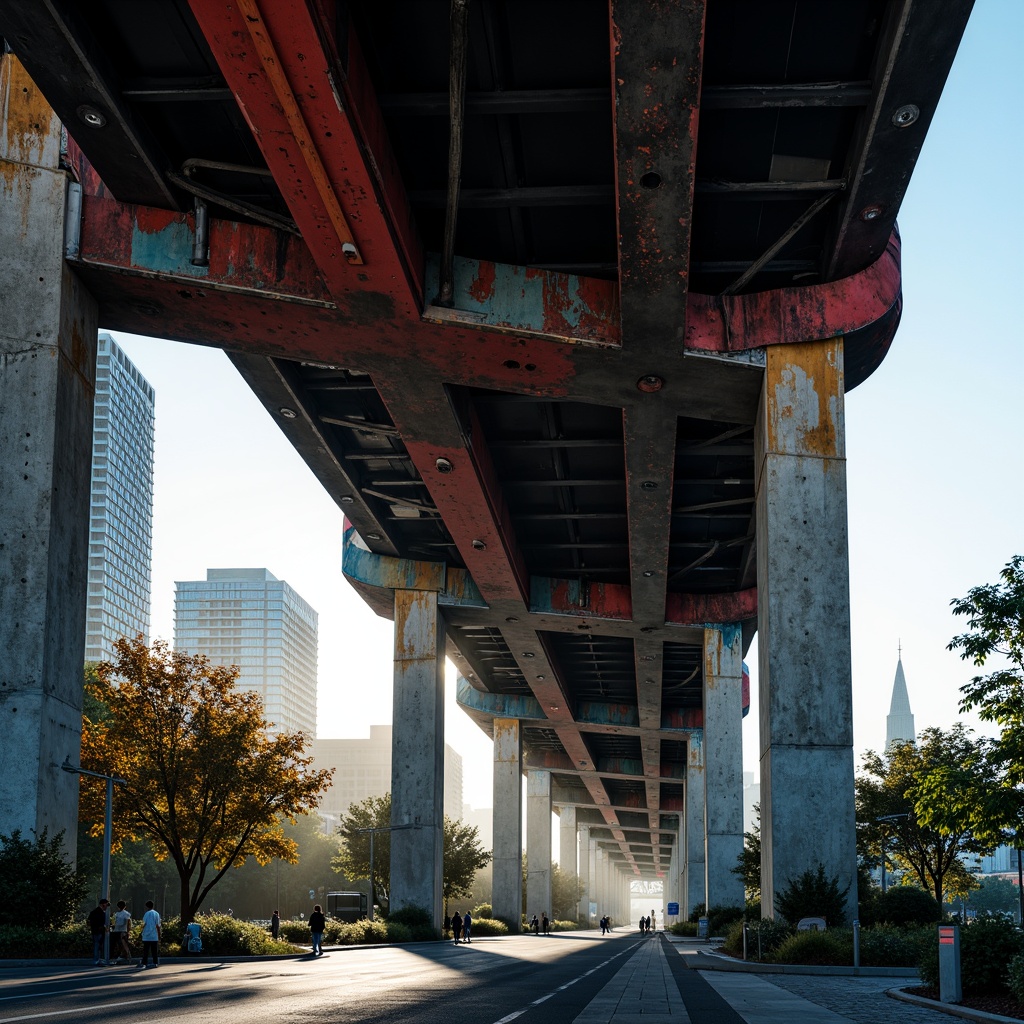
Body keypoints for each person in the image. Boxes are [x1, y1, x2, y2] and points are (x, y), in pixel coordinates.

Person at [87, 899, 110, 965]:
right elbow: (101, 923)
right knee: (98, 945)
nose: (106, 906)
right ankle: (97, 959)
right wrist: (103, 927)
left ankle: (97, 959)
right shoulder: (101, 912)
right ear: (102, 904)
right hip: (99, 931)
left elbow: (88, 922)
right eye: (106, 904)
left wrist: (92, 926)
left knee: (96, 944)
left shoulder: (93, 912)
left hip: (94, 930)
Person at [139, 900, 161, 968]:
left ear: (147, 907)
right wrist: (159, 935)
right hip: (154, 935)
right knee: (154, 950)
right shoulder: (156, 914)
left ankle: (144, 963)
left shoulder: (146, 914)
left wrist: (141, 932)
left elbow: (144, 924)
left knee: (146, 950)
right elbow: (158, 925)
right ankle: (155, 963)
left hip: (146, 935)